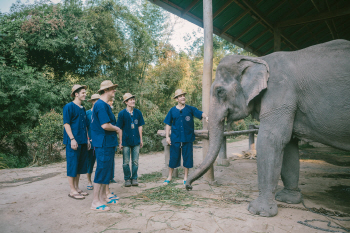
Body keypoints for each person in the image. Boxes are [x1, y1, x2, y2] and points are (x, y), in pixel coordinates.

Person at [163, 89, 208, 186]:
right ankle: (169, 176)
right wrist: (167, 137)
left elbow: (200, 113)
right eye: (180, 96)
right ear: (177, 99)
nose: (183, 97)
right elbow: (168, 124)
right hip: (175, 138)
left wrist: (206, 117)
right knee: (173, 157)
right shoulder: (172, 111)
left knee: (187, 158)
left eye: (183, 95)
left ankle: (185, 177)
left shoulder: (190, 109)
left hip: (188, 138)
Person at [90, 80, 122, 211]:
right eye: (112, 88)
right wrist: (117, 129)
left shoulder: (104, 105)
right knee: (101, 170)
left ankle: (103, 197)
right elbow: (105, 125)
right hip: (103, 143)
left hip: (107, 143)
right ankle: (95, 202)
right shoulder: (101, 105)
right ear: (105, 90)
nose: (114, 90)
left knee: (106, 171)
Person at [63, 84, 91, 200]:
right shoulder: (68, 107)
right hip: (73, 142)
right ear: (76, 94)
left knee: (79, 166)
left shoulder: (83, 108)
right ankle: (72, 190)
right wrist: (72, 139)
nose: (85, 94)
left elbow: (85, 126)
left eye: (85, 92)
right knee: (72, 165)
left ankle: (77, 187)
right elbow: (66, 124)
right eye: (83, 93)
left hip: (83, 141)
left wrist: (88, 139)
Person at [116, 93, 145, 187]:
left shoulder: (138, 112)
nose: (133, 101)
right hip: (126, 141)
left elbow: (140, 126)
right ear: (126, 102)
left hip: (136, 140)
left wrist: (141, 139)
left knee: (135, 161)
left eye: (133, 99)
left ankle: (134, 178)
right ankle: (127, 179)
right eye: (130, 100)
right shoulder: (122, 114)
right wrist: (120, 142)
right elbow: (119, 129)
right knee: (125, 162)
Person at [86, 94, 100, 190]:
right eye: (94, 100)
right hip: (90, 142)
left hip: (100, 142)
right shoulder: (87, 113)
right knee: (90, 162)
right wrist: (87, 140)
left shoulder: (101, 112)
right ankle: (89, 181)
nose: (96, 102)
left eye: (98, 100)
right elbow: (85, 128)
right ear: (91, 101)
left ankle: (98, 181)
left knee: (100, 162)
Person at [107, 98, 117, 184]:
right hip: (106, 139)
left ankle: (111, 177)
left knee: (112, 160)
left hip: (112, 139)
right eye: (110, 100)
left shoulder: (110, 110)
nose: (112, 102)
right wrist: (117, 129)